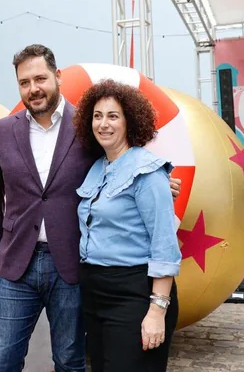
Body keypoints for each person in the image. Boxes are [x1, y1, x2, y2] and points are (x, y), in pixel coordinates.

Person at [0, 44, 181, 372]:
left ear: (57, 76)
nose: (33, 89)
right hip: (17, 263)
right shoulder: (2, 130)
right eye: (24, 82)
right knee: (1, 360)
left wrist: (161, 183)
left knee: (70, 360)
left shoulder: (87, 126)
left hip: (72, 265)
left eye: (40, 78)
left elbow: (123, 164)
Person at [74, 80, 181, 372]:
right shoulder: (97, 168)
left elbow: (164, 246)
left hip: (134, 295)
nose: (103, 124)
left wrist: (157, 311)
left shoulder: (148, 172)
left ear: (129, 121)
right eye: (97, 116)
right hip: (95, 294)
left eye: (113, 116)